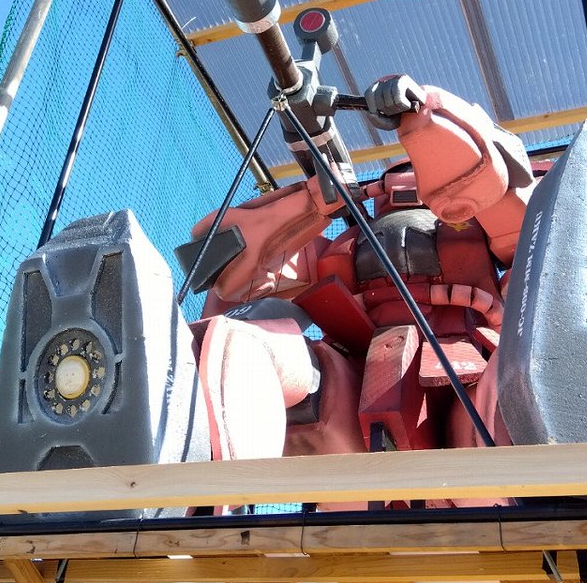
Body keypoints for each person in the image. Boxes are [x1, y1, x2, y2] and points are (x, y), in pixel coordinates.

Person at [184, 75, 536, 476]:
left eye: (416, 169)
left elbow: (519, 215)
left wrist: (424, 112)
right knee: (277, 373)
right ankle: (196, 464)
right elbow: (227, 269)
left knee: (496, 420)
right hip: (356, 382)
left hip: (463, 371)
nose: (404, 187)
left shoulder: (479, 230)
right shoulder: (344, 247)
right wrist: (315, 199)